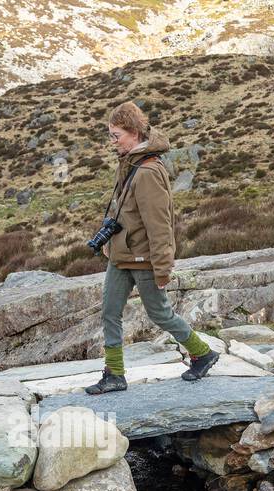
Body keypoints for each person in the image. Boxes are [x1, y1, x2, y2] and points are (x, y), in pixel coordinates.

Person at [85, 101, 218, 395]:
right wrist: (111, 243)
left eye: (116, 135)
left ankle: (202, 354)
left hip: (144, 259)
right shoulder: (129, 163)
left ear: (133, 133)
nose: (112, 142)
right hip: (121, 256)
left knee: (160, 314)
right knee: (109, 311)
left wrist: (163, 267)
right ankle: (115, 375)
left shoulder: (147, 172)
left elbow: (160, 225)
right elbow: (126, 212)